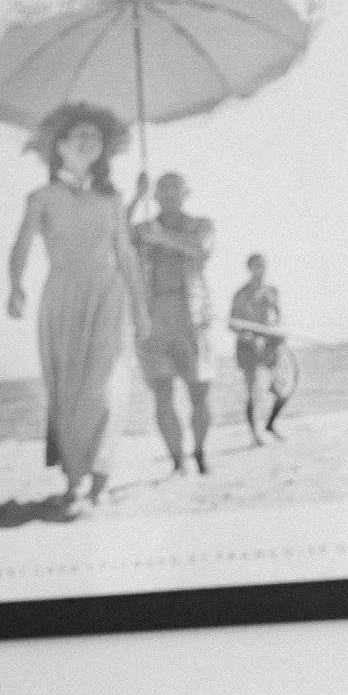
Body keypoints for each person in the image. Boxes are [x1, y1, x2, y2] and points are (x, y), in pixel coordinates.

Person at [5, 101, 148, 511]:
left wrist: (140, 308)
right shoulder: (42, 197)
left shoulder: (113, 199)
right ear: (60, 147)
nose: (90, 142)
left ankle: (100, 475)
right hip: (62, 302)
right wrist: (14, 287)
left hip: (109, 297)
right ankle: (73, 481)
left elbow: (127, 255)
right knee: (67, 395)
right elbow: (21, 245)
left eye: (96, 137)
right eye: (81, 135)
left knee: (105, 389)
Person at [130, 171, 216, 475]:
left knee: (200, 392)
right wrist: (135, 198)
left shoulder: (201, 224)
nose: (168, 194)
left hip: (192, 315)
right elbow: (113, 238)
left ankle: (200, 451)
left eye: (174, 188)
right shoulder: (143, 228)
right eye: (161, 189)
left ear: (185, 193)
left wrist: (162, 237)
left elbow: (200, 248)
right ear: (155, 196)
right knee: (162, 392)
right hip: (153, 317)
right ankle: (177, 460)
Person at [230, 251, 289, 443]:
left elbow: (278, 316)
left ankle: (270, 424)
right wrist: (247, 336)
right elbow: (232, 323)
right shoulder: (241, 294)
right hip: (247, 345)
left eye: (263, 265)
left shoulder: (272, 291)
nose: (261, 270)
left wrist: (278, 333)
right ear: (250, 269)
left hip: (269, 342)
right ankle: (255, 433)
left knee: (283, 388)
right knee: (254, 392)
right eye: (257, 266)